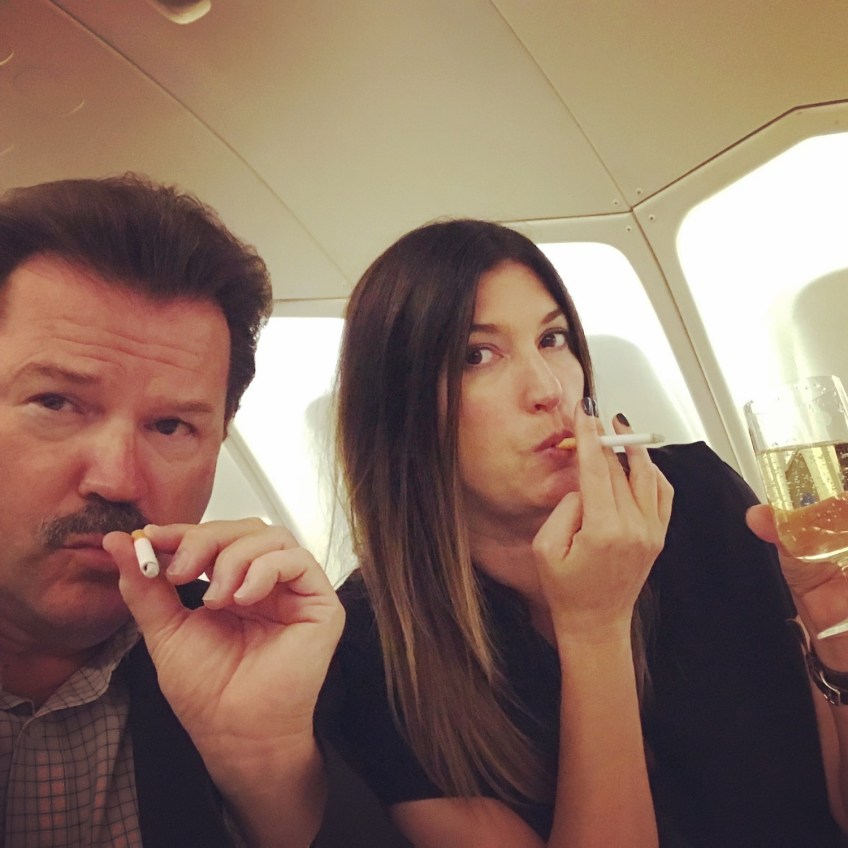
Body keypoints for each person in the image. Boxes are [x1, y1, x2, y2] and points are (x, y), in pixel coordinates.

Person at [319, 218, 848, 847]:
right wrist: (596, 627)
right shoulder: (374, 643)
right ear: (399, 409)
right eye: (475, 355)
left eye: (553, 339)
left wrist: (832, 627)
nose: (548, 390)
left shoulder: (696, 497)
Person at [0, 174, 345, 848]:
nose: (116, 479)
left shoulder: (287, 670)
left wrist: (268, 771)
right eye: (55, 403)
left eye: (170, 427)